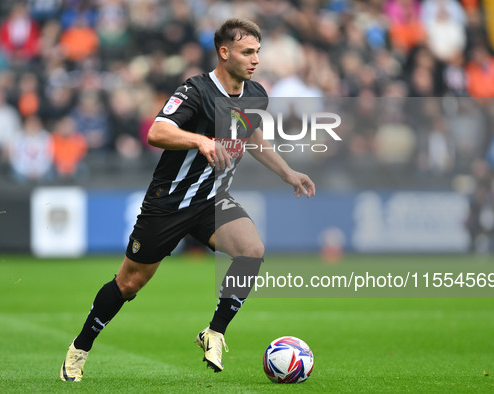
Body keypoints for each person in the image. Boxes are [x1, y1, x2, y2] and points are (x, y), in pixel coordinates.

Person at [60, 18, 315, 382]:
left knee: (252, 251)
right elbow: (157, 131)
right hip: (170, 202)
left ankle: (215, 331)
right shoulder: (195, 90)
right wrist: (199, 140)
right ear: (224, 53)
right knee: (129, 284)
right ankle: (80, 348)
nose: (255, 59)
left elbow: (253, 136)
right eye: (247, 52)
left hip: (212, 199)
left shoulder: (256, 94)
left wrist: (287, 172)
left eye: (257, 51)